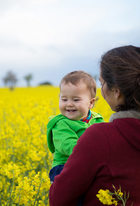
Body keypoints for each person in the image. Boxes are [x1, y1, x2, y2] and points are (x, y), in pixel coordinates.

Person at [49, 45, 140, 206]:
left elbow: (58, 199)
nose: (102, 90)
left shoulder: (100, 137)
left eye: (102, 83)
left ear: (117, 91)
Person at [47, 71, 104, 183]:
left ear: (91, 103)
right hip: (63, 168)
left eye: (76, 100)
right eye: (64, 99)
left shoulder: (97, 119)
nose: (69, 104)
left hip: (89, 165)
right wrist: (94, 151)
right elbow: (67, 145)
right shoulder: (60, 124)